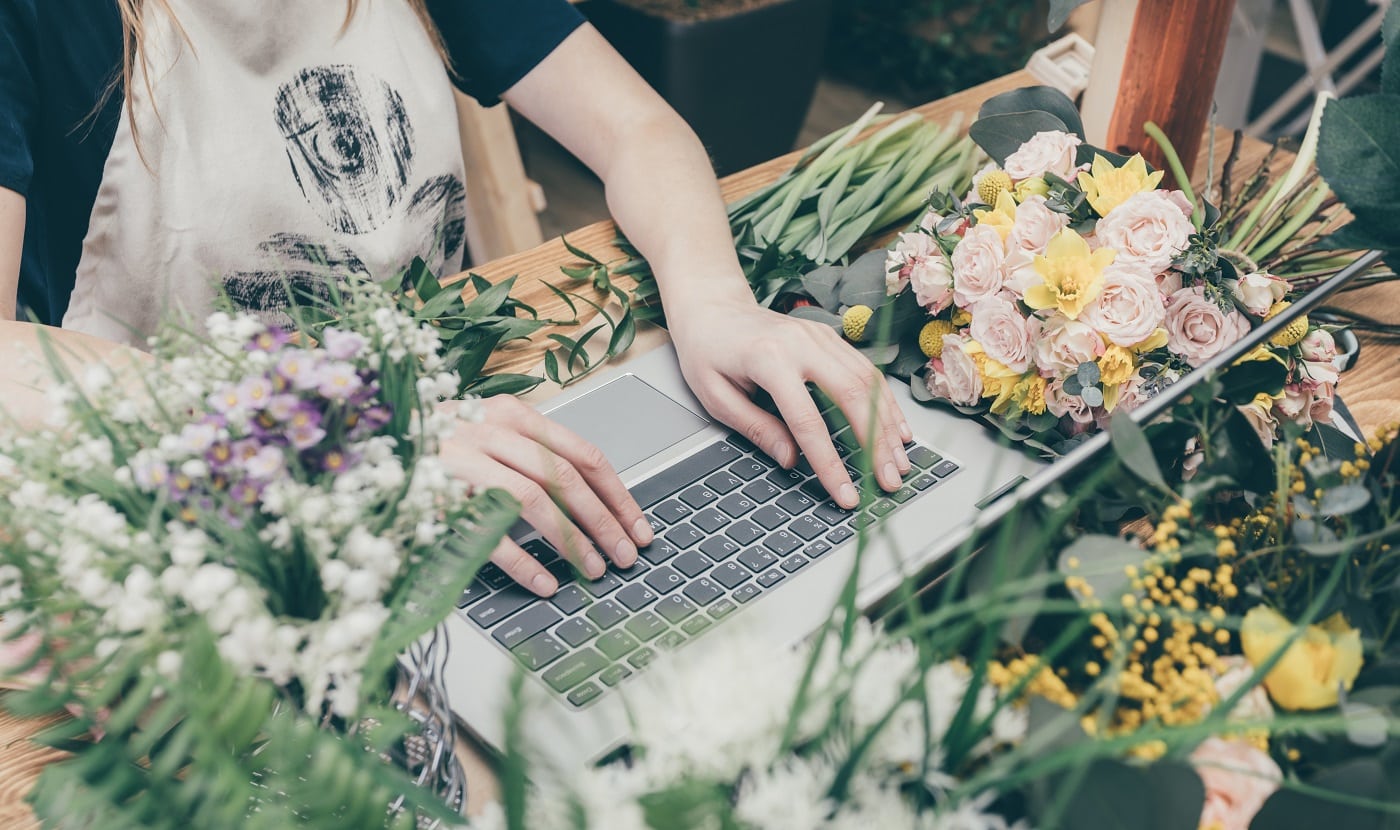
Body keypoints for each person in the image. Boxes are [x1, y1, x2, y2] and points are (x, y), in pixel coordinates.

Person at [0, 0, 912, 598]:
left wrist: (715, 299)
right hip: (203, 514)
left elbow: (637, 128)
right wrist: (353, 432)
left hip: (460, 445)